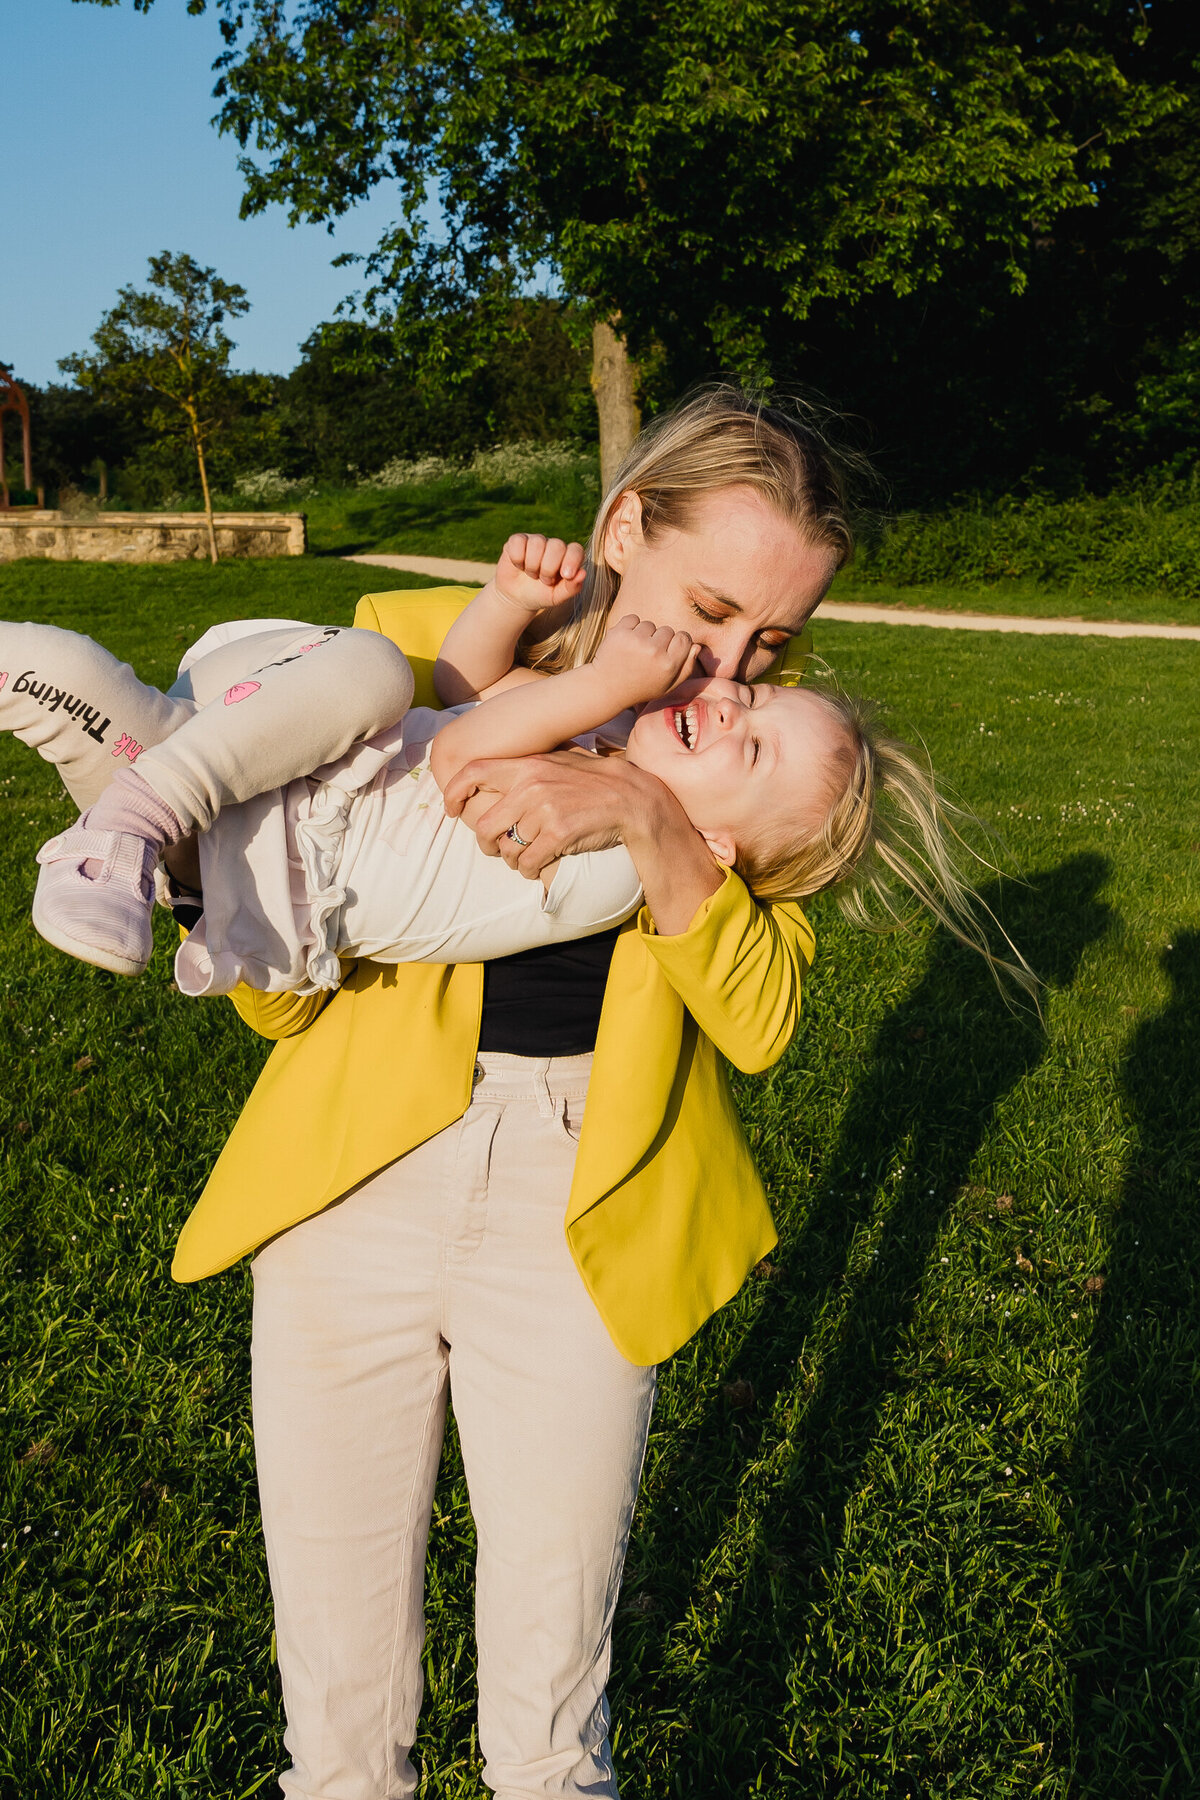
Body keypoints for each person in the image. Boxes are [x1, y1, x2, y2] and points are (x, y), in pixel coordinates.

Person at [4, 389, 1024, 1800]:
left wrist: (652, 819)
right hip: (350, 1185)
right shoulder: (418, 644)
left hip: (577, 1214)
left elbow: (762, 1015)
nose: (723, 660)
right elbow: (281, 996)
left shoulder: (739, 768)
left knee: (553, 1717)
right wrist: (226, 898)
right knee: (339, 1714)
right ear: (622, 527)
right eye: (710, 606)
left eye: (771, 641)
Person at [17, 534, 1011, 1010]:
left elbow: (457, 746)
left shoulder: (612, 865)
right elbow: (471, 686)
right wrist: (504, 598)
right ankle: (114, 845)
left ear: (713, 846)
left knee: (364, 672)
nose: (726, 696)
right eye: (750, 701)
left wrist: (612, 676)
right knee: (58, 671)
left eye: (748, 747)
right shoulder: (606, 740)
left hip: (246, 856)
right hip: (247, 775)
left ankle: (128, 828)